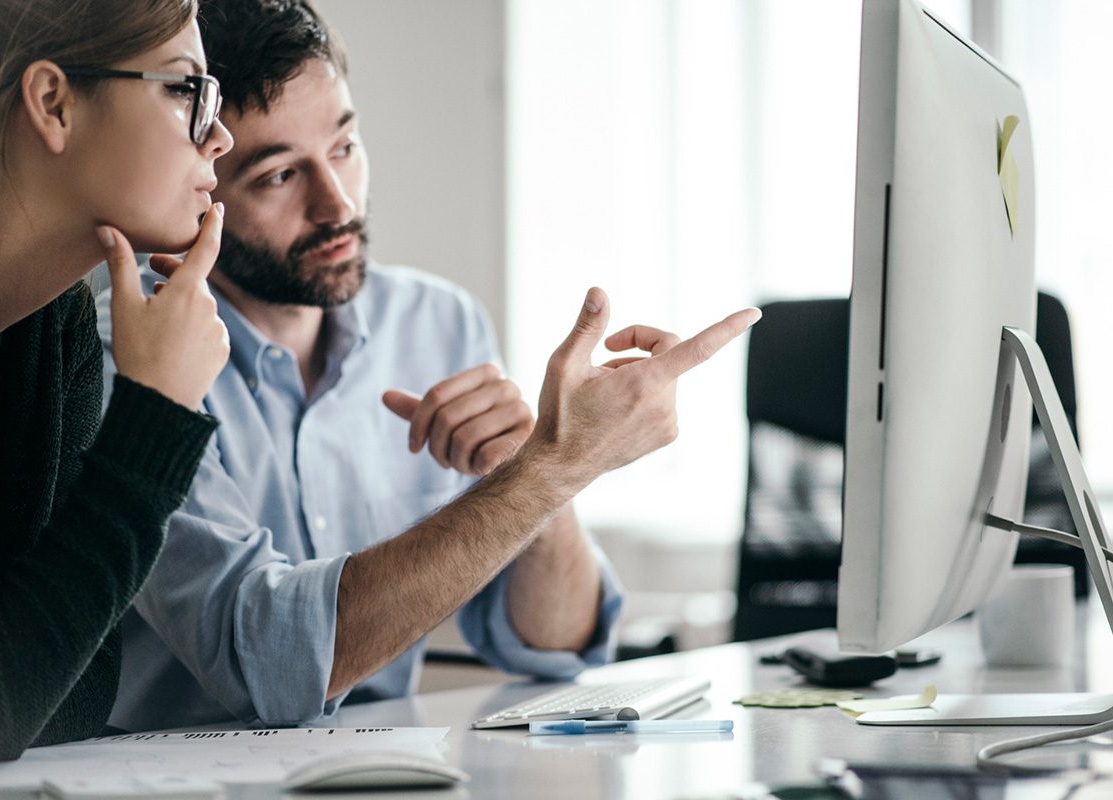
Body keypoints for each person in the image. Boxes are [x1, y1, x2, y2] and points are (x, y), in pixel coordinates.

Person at [98, 0, 761, 731]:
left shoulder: (438, 322)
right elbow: (266, 664)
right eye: (281, 175)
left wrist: (538, 487)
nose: (337, 204)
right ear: (202, 181)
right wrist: (555, 467)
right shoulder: (125, 343)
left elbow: (560, 647)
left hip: (381, 768)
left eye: (345, 147)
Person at [0, 0, 234, 765]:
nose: (221, 134)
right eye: (186, 90)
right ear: (53, 104)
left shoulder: (51, 328)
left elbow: (71, 693)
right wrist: (154, 415)